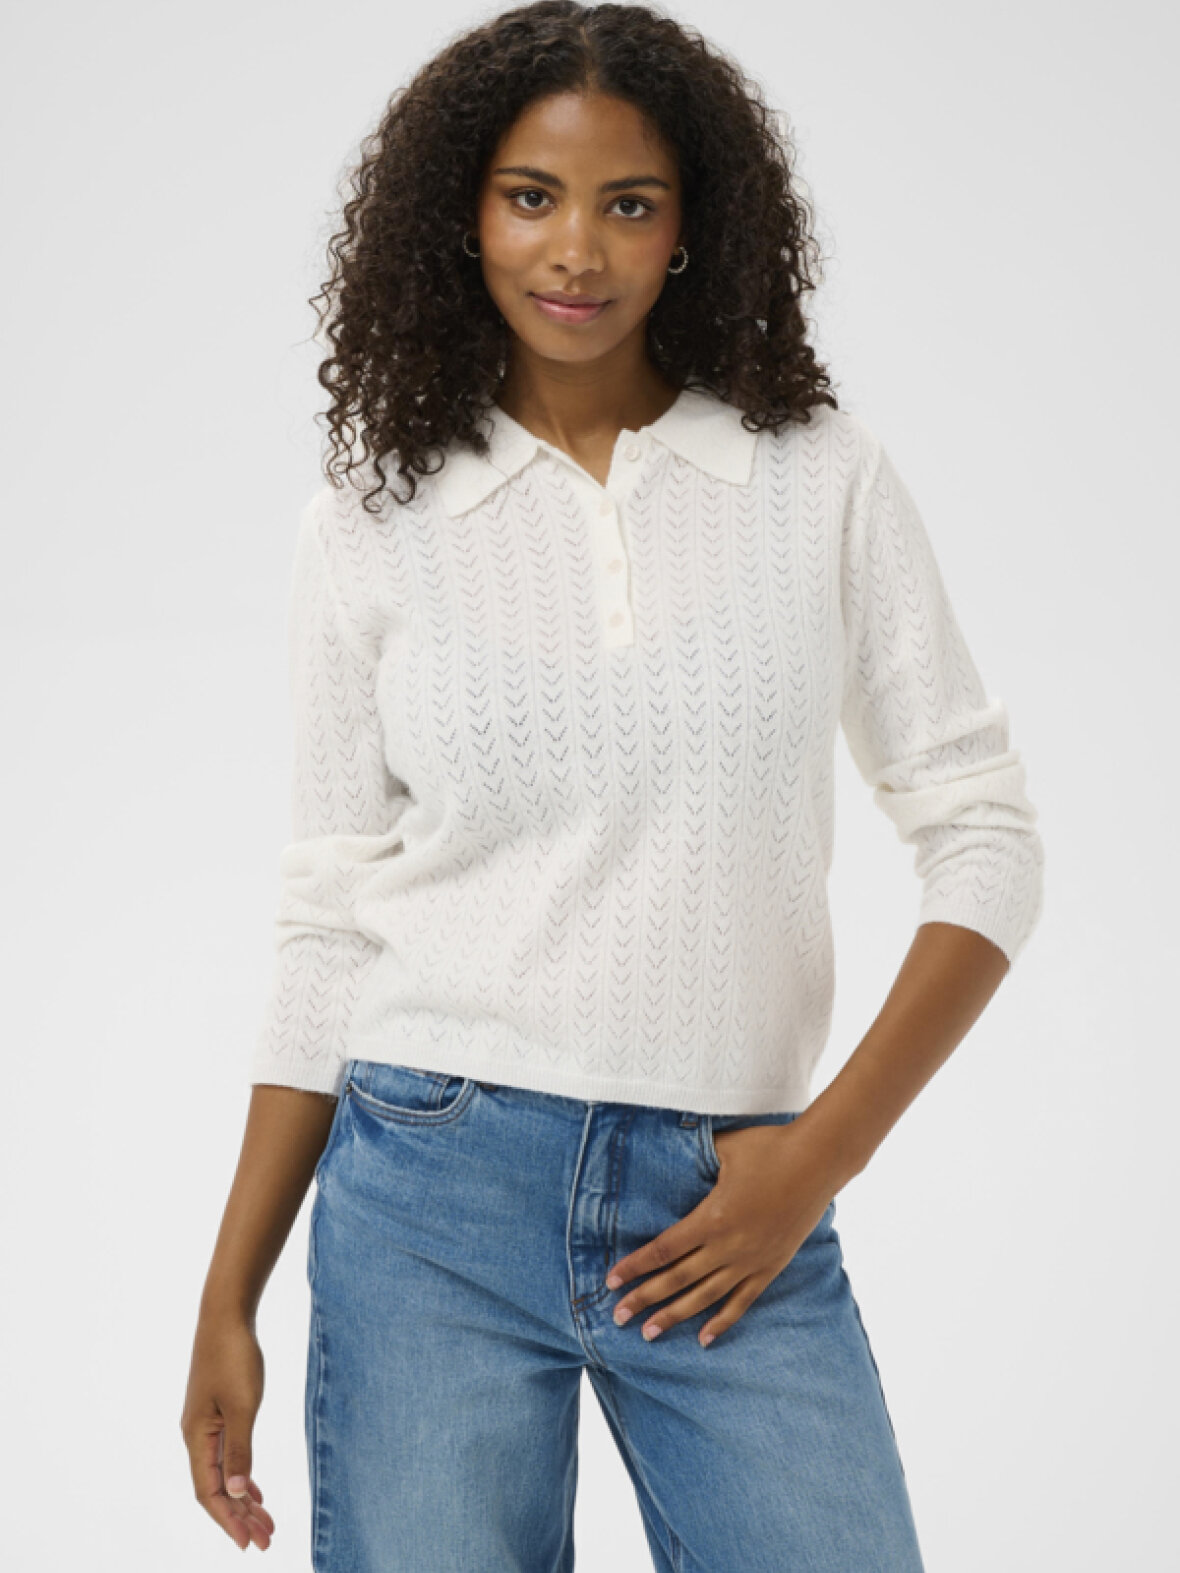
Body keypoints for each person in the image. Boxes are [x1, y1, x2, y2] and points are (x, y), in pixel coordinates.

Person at [180, 3, 1045, 1568]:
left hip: (732, 1200)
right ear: (463, 214)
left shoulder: (817, 477)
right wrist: (226, 1295)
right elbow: (326, 920)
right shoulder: (373, 516)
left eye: (628, 203)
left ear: (691, 228)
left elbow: (983, 836)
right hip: (428, 1194)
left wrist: (821, 1154)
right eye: (532, 196)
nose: (576, 250)